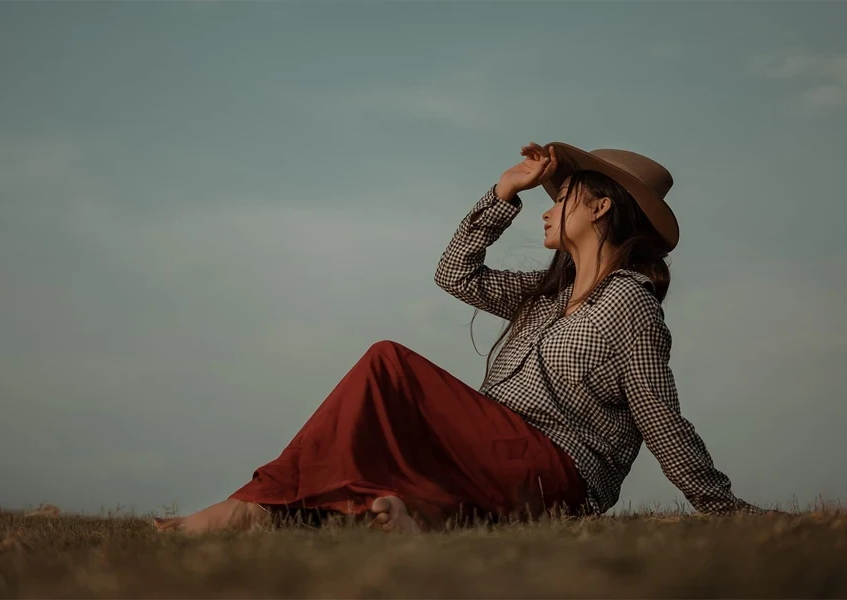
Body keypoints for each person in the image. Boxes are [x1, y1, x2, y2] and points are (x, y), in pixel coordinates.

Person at [155, 141, 766, 534]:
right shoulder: (543, 295)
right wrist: (504, 194)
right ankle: (290, 516)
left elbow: (660, 415)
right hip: (497, 460)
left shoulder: (629, 303)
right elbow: (455, 274)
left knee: (388, 365)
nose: (546, 210)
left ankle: (251, 507)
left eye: (562, 198)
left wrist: (723, 508)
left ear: (602, 207)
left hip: (557, 469)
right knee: (380, 480)